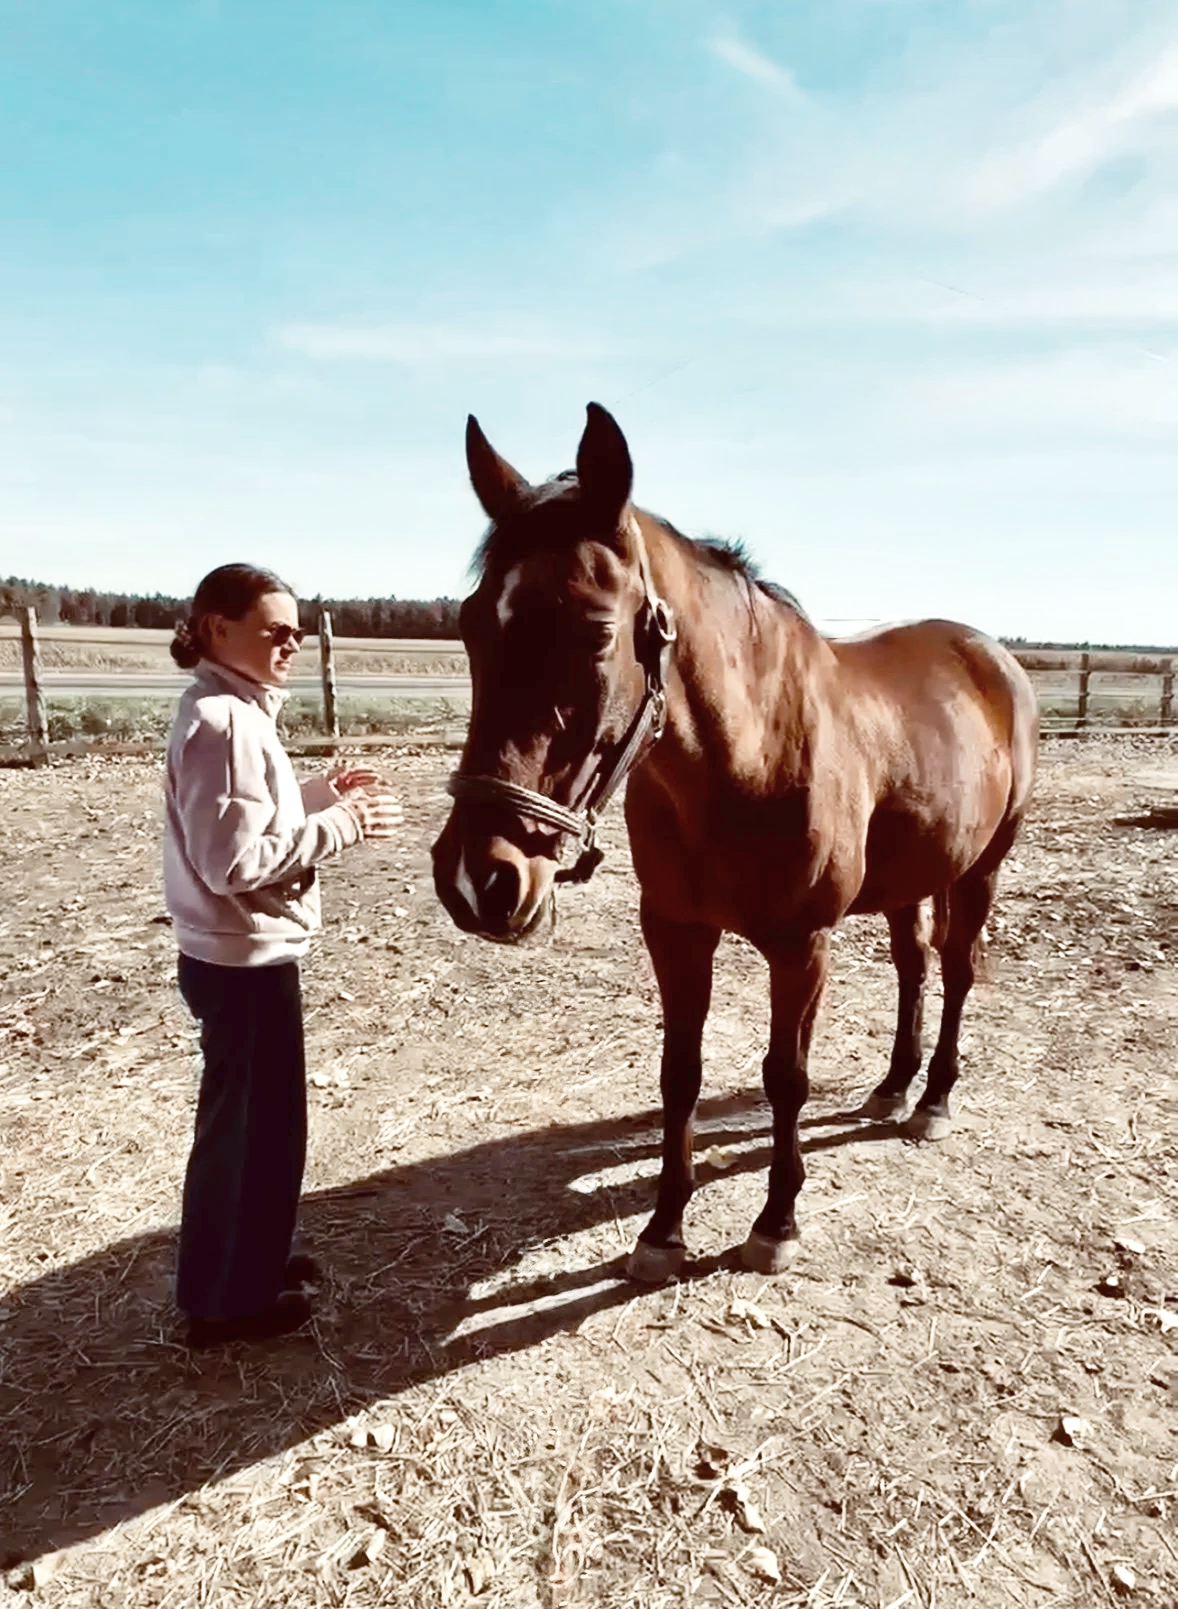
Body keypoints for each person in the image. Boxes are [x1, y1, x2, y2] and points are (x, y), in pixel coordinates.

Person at [163, 563, 400, 1347]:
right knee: (253, 1132)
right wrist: (344, 826)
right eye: (275, 628)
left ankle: (246, 1269)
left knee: (252, 1127)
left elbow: (249, 816)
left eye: (296, 628)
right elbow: (231, 862)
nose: (291, 640)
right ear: (217, 628)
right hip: (243, 960)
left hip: (239, 955)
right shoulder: (227, 721)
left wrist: (318, 796)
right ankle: (228, 1305)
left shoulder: (226, 709)